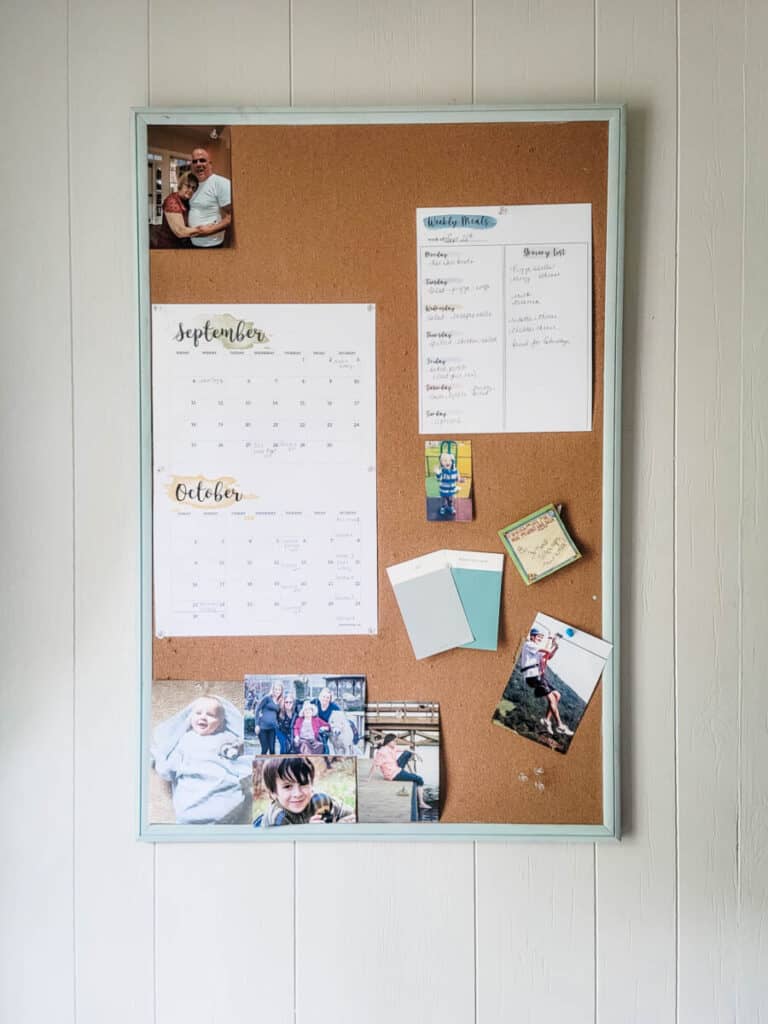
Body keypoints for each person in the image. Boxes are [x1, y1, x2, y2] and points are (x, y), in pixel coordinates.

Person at [151, 695, 252, 824]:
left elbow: (240, 754)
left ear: (221, 722)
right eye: (198, 713)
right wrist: (161, 759)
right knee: (188, 801)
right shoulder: (185, 739)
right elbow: (170, 768)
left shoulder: (227, 737)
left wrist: (237, 749)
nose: (203, 717)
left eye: (210, 715)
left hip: (221, 787)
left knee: (228, 801)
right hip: (192, 790)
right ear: (190, 718)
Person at [256, 757, 354, 827]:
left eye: (303, 783)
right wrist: (307, 830)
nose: (297, 794)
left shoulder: (320, 801)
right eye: (287, 786)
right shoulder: (277, 817)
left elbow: (352, 816)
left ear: (312, 785)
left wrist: (338, 824)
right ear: (273, 792)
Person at [151, 171, 230, 249]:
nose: (190, 190)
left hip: (185, 244)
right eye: (188, 186)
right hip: (170, 246)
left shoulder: (187, 200)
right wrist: (206, 229)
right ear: (181, 184)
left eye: (193, 188)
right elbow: (180, 232)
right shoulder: (172, 201)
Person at [520, 628, 573, 737]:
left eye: (541, 637)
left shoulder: (535, 650)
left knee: (557, 695)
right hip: (532, 676)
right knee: (552, 699)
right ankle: (560, 725)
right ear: (533, 636)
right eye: (539, 637)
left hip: (538, 676)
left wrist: (556, 647)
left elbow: (547, 656)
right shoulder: (529, 644)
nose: (540, 639)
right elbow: (546, 650)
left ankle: (546, 719)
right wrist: (552, 640)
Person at [367, 733, 431, 811]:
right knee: (419, 779)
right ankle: (421, 803)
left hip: (396, 767)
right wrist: (369, 778)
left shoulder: (393, 748)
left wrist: (417, 754)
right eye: (394, 741)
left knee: (408, 753)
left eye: (396, 741)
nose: (395, 743)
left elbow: (406, 749)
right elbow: (375, 765)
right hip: (393, 774)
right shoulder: (382, 752)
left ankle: (408, 773)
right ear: (389, 741)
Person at [187, 147, 232, 248]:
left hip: (212, 244)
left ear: (210, 164)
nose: (198, 164)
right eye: (195, 161)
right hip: (193, 243)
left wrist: (209, 231)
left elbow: (232, 216)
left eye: (202, 160)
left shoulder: (220, 183)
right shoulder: (192, 185)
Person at [254, 680, 283, 755]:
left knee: (272, 750)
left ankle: (272, 766)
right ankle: (261, 765)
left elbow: (279, 715)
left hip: (272, 729)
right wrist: (257, 725)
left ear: (281, 691)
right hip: (262, 728)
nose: (277, 691)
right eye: (276, 689)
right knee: (265, 749)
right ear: (272, 689)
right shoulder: (267, 698)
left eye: (279, 689)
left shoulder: (280, 701)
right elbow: (257, 710)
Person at [312, 687, 341, 754]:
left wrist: (329, 727)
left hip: (329, 729)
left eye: (327, 697)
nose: (325, 699)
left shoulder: (334, 707)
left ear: (330, 699)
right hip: (317, 728)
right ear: (320, 697)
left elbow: (339, 718)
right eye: (323, 696)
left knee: (328, 745)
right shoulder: (315, 702)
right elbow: (306, 705)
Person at [434, 447, 460, 516]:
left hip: (451, 490)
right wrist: (438, 473)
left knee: (451, 500)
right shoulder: (442, 471)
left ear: (452, 461)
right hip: (443, 490)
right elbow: (439, 479)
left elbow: (457, 477)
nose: (448, 462)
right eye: (445, 461)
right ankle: (443, 507)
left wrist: (459, 479)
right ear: (441, 463)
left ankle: (451, 506)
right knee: (443, 500)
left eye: (449, 460)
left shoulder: (454, 470)